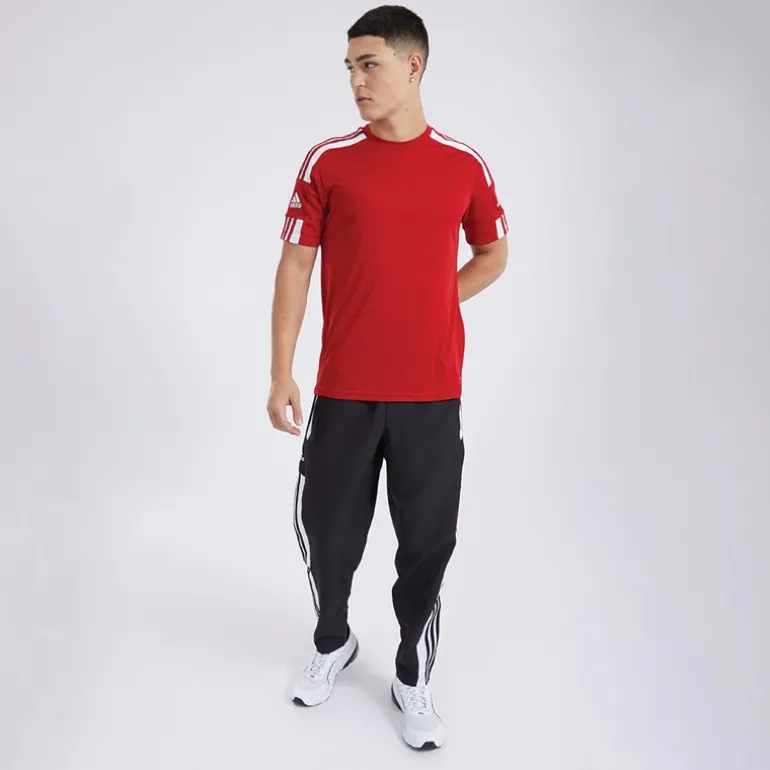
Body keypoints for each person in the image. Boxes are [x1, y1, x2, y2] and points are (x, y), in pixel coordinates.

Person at [267, 4, 508, 751]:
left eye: (368, 64)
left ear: (414, 65)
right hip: (343, 390)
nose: (356, 81)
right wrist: (281, 370)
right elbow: (295, 265)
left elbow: (493, 255)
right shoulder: (328, 162)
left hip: (431, 395)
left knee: (427, 544)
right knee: (326, 533)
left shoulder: (463, 166)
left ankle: (411, 672)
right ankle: (333, 640)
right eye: (349, 67)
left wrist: (435, 299)